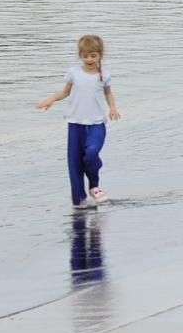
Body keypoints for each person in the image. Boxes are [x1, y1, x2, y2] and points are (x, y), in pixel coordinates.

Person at [34, 33, 122, 208]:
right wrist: (50, 99)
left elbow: (108, 93)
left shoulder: (103, 75)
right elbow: (65, 92)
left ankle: (94, 186)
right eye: (85, 56)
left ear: (100, 55)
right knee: (74, 163)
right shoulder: (74, 72)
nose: (89, 59)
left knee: (91, 153)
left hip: (97, 124)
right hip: (75, 124)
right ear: (80, 55)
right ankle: (79, 201)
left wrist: (113, 108)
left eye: (93, 56)